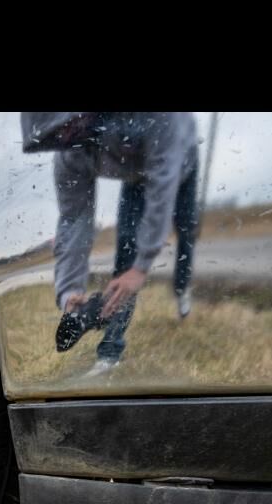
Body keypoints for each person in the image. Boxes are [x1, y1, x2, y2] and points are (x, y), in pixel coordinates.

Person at [23, 112, 200, 375]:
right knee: (126, 249)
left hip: (180, 161)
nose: (67, 137)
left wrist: (142, 268)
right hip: (137, 177)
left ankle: (182, 287)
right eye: (58, 135)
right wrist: (69, 290)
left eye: (70, 127)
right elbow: (74, 219)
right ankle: (110, 353)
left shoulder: (161, 118)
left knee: (186, 231)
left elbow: (163, 184)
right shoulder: (69, 151)